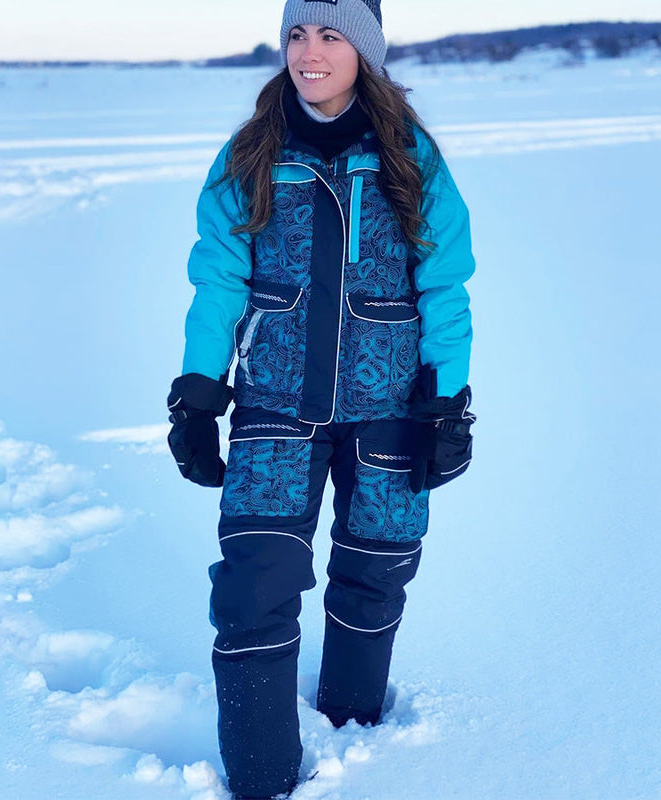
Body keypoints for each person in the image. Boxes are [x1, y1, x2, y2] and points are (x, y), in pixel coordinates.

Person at [166, 1, 476, 797]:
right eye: (299, 33)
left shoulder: (412, 158)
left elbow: (445, 286)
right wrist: (200, 396)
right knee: (251, 591)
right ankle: (263, 779)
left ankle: (356, 734)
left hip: (391, 411)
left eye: (331, 34)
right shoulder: (250, 155)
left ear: (364, 51)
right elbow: (218, 280)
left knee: (376, 574)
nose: (310, 51)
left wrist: (447, 403)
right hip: (275, 411)